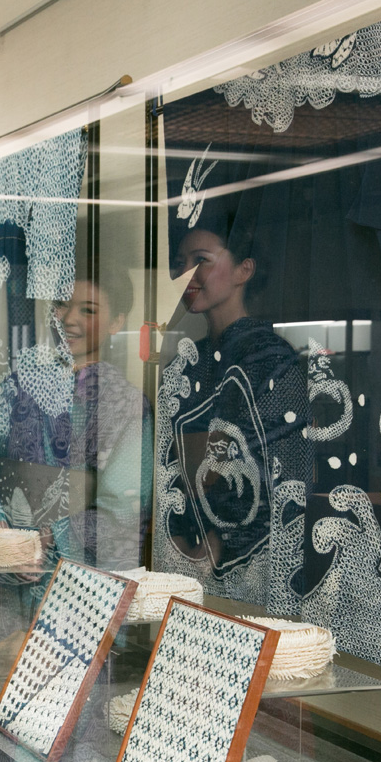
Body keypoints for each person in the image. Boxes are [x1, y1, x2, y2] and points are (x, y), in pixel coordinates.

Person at [0, 266, 152, 571]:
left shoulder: (126, 405)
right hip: (7, 569)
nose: (69, 319)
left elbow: (123, 509)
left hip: (74, 578)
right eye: (62, 304)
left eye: (88, 310)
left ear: (116, 322)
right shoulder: (20, 386)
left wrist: (50, 539)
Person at [161, 226, 309, 604]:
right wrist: (176, 534)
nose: (187, 275)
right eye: (180, 265)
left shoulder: (271, 357)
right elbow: (169, 461)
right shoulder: (186, 361)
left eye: (202, 261)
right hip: (185, 560)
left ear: (244, 270)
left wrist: (219, 543)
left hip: (253, 569)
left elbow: (286, 474)